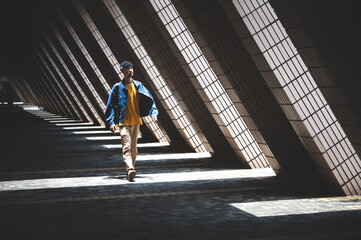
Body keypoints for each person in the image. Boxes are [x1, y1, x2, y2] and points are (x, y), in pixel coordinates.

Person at [104, 61, 158, 180]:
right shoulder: (117, 87)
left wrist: (153, 113)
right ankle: (130, 168)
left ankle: (131, 168)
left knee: (134, 149)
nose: (130, 71)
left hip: (136, 122)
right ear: (122, 71)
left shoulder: (138, 85)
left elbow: (150, 98)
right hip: (123, 123)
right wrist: (111, 122)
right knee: (127, 147)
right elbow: (110, 106)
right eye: (127, 69)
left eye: (131, 68)